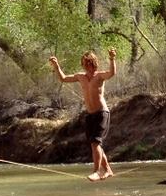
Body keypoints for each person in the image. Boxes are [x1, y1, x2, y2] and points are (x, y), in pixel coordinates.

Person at [49, 50, 116, 181]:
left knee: (96, 143)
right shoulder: (80, 77)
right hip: (90, 115)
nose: (86, 66)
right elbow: (63, 78)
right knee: (94, 144)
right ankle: (107, 170)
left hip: (102, 113)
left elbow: (112, 73)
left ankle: (97, 171)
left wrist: (112, 59)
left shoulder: (99, 76)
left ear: (94, 64)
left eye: (88, 63)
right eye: (84, 63)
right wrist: (56, 67)